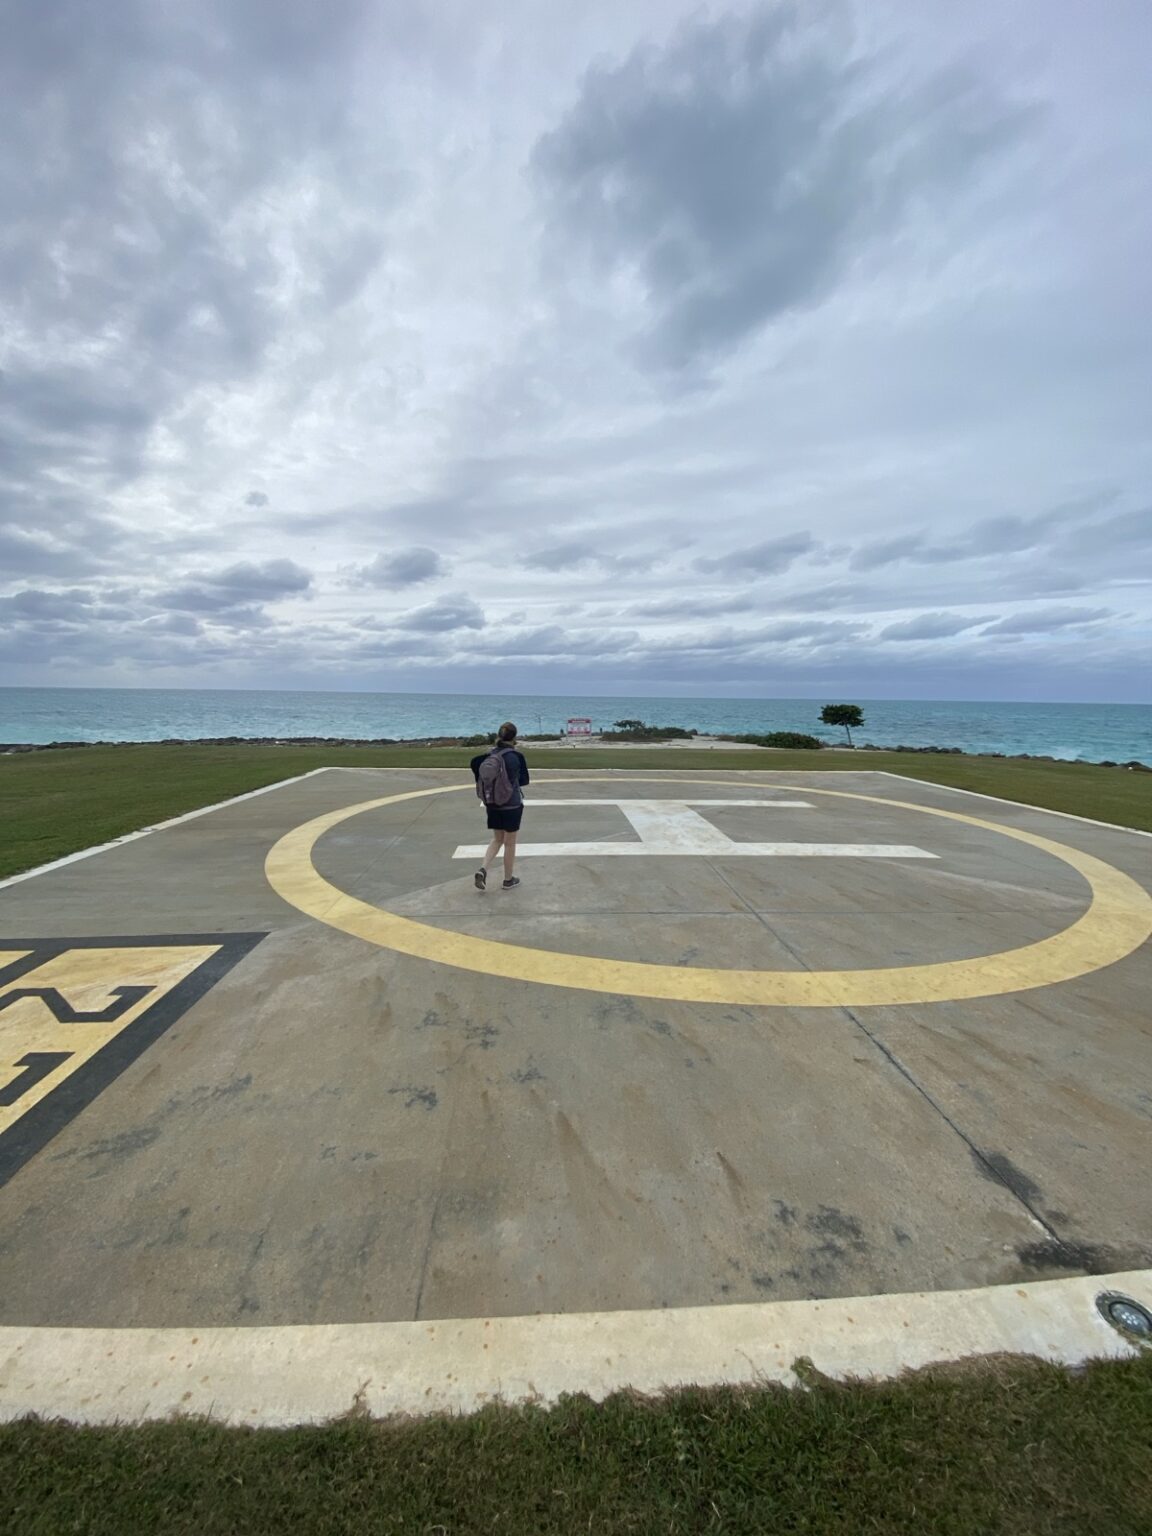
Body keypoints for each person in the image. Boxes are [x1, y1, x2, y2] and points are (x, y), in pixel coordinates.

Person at [470, 721, 530, 891]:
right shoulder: (516, 757)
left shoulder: (488, 756)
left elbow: (477, 770)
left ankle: (483, 868)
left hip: (492, 804)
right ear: (514, 737)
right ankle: (508, 880)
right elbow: (524, 780)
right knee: (510, 843)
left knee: (497, 839)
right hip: (511, 805)